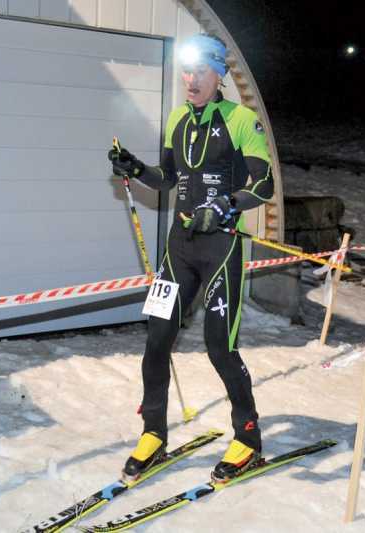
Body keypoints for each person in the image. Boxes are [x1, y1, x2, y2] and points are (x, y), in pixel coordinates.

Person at [108, 34, 274, 482]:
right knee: (156, 340)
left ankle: (248, 437)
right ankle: (153, 434)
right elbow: (167, 178)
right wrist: (135, 168)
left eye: (200, 72)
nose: (190, 80)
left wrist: (223, 207)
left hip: (222, 248)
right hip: (179, 247)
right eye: (186, 72)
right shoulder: (178, 117)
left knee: (220, 346)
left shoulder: (241, 120)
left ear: (219, 74)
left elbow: (264, 186)